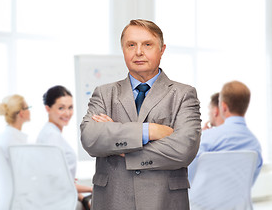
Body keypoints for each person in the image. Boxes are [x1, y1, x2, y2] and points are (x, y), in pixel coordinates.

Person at [80, 19, 202, 210]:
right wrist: (149, 131)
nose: (139, 52)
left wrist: (120, 147)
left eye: (147, 44)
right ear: (123, 50)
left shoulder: (184, 94)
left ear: (162, 50)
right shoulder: (104, 94)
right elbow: (90, 138)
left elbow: (184, 149)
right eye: (131, 45)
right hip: (113, 201)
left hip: (164, 202)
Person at [188, 81, 263, 184]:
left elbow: (188, 174)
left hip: (204, 199)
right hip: (240, 200)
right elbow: (248, 183)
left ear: (223, 106)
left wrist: (198, 139)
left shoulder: (207, 138)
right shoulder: (255, 145)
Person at [36, 85, 92, 209]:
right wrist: (91, 190)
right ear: (48, 109)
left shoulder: (49, 133)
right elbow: (56, 183)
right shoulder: (52, 137)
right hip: (58, 202)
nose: (67, 113)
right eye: (61, 108)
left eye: (70, 108)